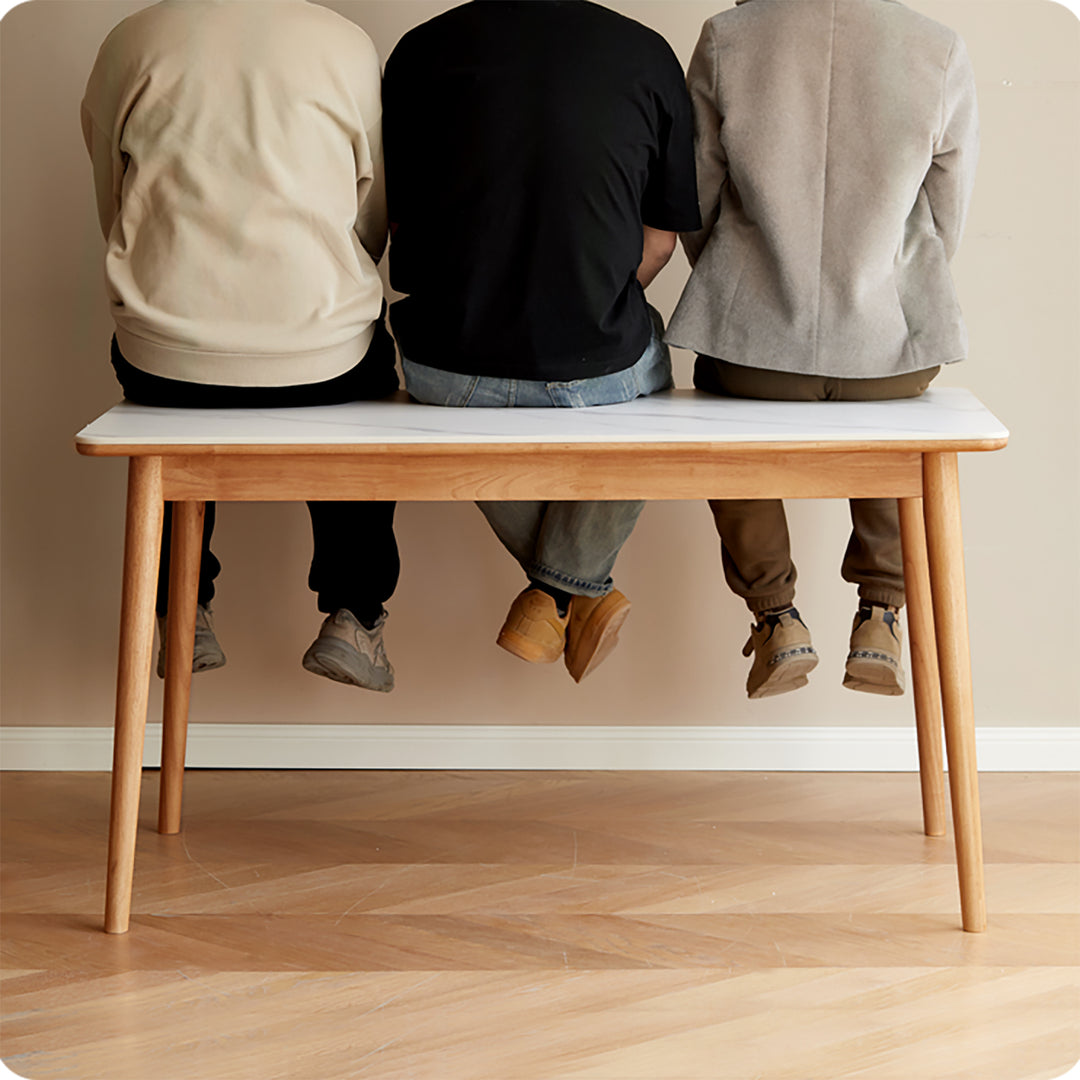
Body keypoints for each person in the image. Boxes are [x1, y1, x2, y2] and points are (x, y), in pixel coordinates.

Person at [81, 0, 400, 692]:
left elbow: (115, 202)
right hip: (325, 357)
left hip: (165, 353)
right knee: (366, 389)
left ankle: (180, 606)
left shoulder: (131, 40)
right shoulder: (344, 43)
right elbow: (373, 210)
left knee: (170, 412)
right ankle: (356, 613)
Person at [667, 0, 978, 699]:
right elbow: (948, 205)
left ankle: (777, 618)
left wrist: (735, 291)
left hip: (754, 353)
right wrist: (893, 288)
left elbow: (697, 190)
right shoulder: (937, 47)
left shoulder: (729, 37)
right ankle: (881, 612)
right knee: (893, 424)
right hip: (887, 342)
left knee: (727, 429)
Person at [382, 0, 700, 682]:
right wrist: (592, 301)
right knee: (652, 392)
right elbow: (660, 241)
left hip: (447, 370)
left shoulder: (418, 50)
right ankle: (570, 592)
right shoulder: (647, 53)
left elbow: (397, 227)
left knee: (462, 411)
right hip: (604, 375)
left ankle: (556, 596)